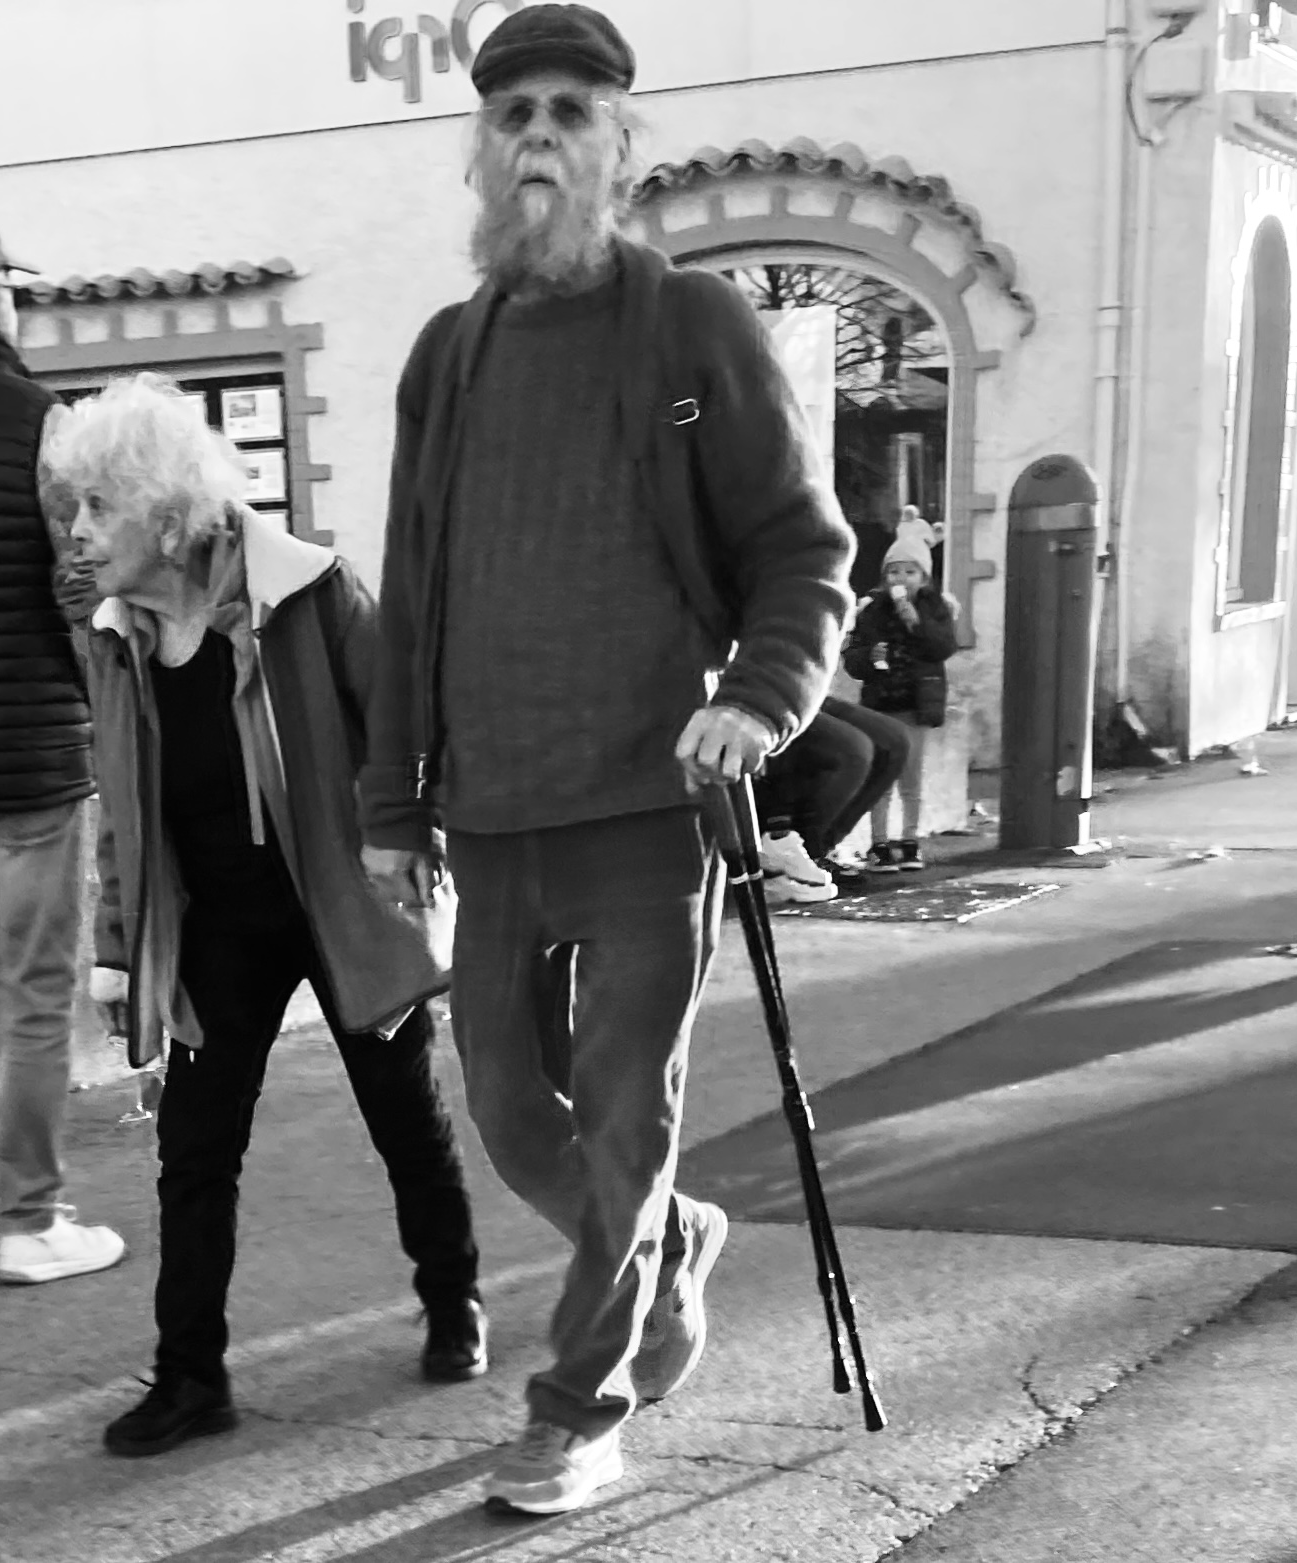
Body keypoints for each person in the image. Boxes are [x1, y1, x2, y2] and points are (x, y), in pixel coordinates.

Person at [358, 4, 854, 1519]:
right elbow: (412, 584)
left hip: (649, 802)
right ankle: (671, 1245)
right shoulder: (449, 355)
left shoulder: (690, 328)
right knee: (511, 1111)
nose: (538, 138)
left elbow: (801, 552)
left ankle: (580, 1402)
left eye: (570, 112)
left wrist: (757, 700)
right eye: (513, 113)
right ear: (480, 147)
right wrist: (395, 800)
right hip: (490, 811)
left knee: (626, 1117)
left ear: (617, 145)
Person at [39, 375, 486, 1458]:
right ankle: (192, 1376)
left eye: (98, 506)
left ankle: (453, 1297)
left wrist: (414, 852)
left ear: (166, 514)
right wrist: (118, 952)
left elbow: (406, 728)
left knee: (403, 1115)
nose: (79, 532)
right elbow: (125, 811)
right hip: (216, 926)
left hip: (338, 902)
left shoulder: (312, 594)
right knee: (194, 1152)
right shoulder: (114, 635)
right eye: (74, 509)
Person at [0, 220, 124, 1285]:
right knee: (36, 989)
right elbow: (80, 586)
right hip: (32, 754)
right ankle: (30, 1221)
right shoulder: (45, 425)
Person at [842, 534, 957, 872]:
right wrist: (868, 656)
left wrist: (915, 622)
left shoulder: (936, 608)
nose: (901, 579)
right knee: (881, 778)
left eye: (910, 572)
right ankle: (879, 844)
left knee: (911, 778)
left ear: (924, 578)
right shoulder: (872, 611)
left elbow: (942, 648)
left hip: (915, 704)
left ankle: (910, 842)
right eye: (894, 572)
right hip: (880, 705)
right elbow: (852, 658)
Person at [756, 696, 911, 897]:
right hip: (757, 693)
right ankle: (784, 851)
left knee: (893, 741)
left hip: (806, 689)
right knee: (853, 750)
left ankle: (815, 850)